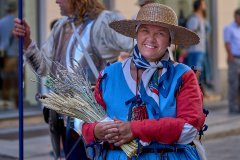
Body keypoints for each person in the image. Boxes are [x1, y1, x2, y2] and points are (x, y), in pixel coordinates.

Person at [82, 3, 206, 160]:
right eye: (145, 30)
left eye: (160, 33)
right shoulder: (110, 74)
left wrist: (135, 129)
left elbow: (189, 128)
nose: (151, 39)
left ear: (170, 40)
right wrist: (96, 131)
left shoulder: (182, 75)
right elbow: (87, 124)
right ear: (136, 34)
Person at [13, 0, 133, 159]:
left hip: (95, 117)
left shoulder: (104, 21)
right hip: (65, 117)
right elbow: (43, 69)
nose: (56, 1)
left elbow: (138, 48)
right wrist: (27, 41)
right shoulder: (61, 26)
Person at [185, 0, 210, 86]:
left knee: (199, 72)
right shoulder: (194, 19)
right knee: (195, 72)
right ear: (199, 6)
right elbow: (190, 34)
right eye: (203, 4)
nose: (205, 5)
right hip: (196, 50)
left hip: (201, 49)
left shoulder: (201, 18)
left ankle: (198, 90)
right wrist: (186, 48)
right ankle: (194, 90)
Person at [0, 2, 18, 109]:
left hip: (7, 55)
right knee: (16, 80)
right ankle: (17, 102)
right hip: (17, 54)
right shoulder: (17, 22)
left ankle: (6, 102)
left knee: (6, 80)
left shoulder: (1, 22)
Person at [224, 8, 240, 114]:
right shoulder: (229, 28)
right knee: (234, 83)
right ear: (236, 16)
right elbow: (227, 43)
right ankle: (232, 107)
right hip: (234, 58)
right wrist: (230, 56)